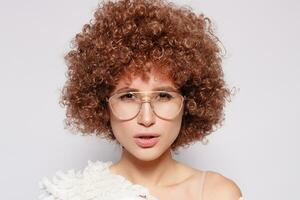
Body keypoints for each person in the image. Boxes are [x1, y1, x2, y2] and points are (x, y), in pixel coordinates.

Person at [38, 0, 243, 199]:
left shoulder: (215, 194)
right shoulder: (73, 195)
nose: (146, 119)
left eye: (163, 96)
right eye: (128, 96)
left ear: (189, 103)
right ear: (102, 105)